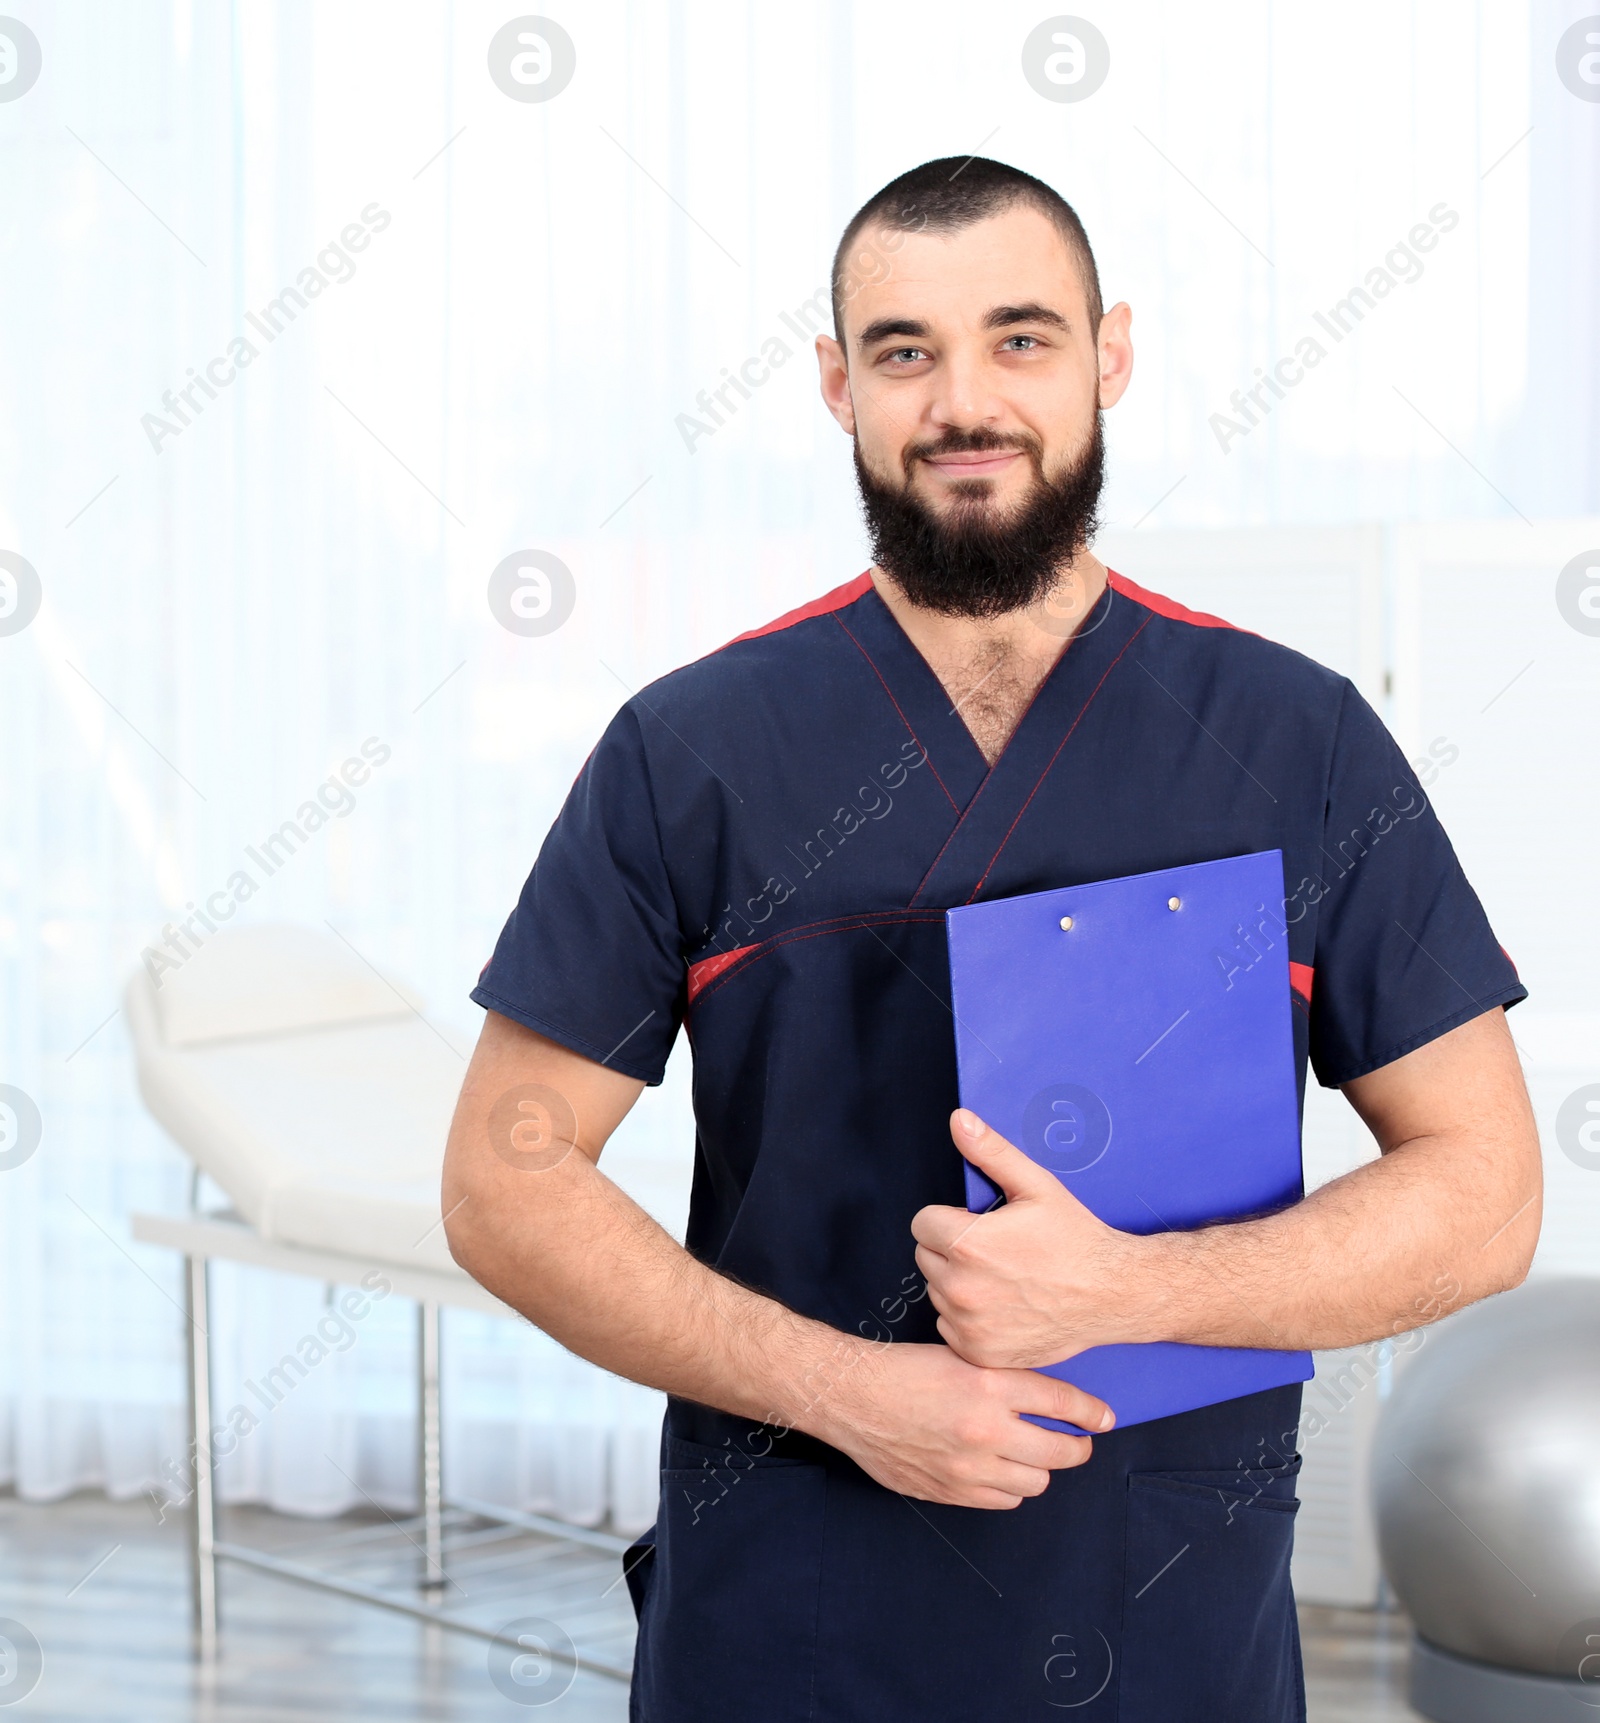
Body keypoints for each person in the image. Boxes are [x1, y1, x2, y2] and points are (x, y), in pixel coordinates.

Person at [442, 157, 1540, 1722]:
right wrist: (849, 1393)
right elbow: (503, 1175)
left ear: (1111, 354)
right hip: (792, 1613)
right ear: (837, 385)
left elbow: (1488, 1193)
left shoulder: (1294, 742)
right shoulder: (695, 751)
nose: (965, 400)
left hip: (1168, 1616)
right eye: (904, 350)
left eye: (1021, 338)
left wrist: (1126, 1290)